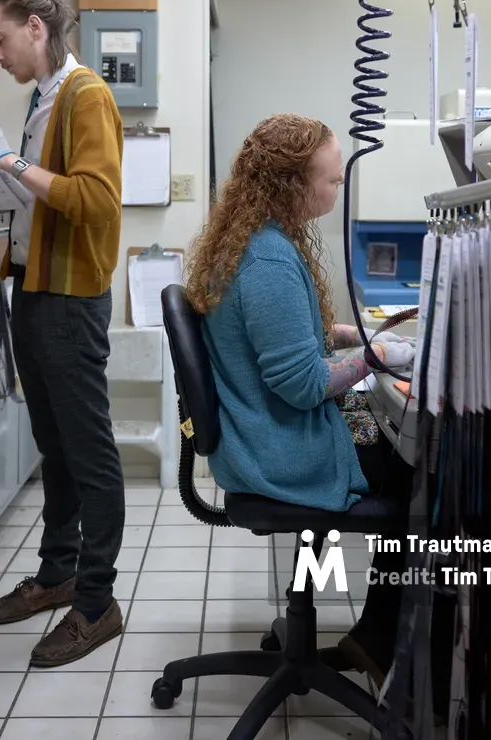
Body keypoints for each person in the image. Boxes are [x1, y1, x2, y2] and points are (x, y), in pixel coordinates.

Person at [183, 112, 419, 687]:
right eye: (333, 180)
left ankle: (371, 633)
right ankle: (382, 641)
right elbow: (304, 384)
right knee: (417, 475)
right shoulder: (266, 259)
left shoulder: (254, 238)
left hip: (270, 431)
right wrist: (377, 358)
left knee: (383, 431)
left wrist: (344, 337)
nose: (340, 188)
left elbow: (276, 340)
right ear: (292, 183)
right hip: (282, 446)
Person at [0, 0, 125, 667]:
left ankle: (96, 603)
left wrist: (10, 161)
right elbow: (44, 202)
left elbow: (95, 200)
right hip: (35, 291)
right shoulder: (44, 99)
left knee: (89, 457)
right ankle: (58, 572)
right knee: (53, 451)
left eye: (0, 40)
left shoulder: (85, 95)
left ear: (36, 27)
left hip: (69, 302)